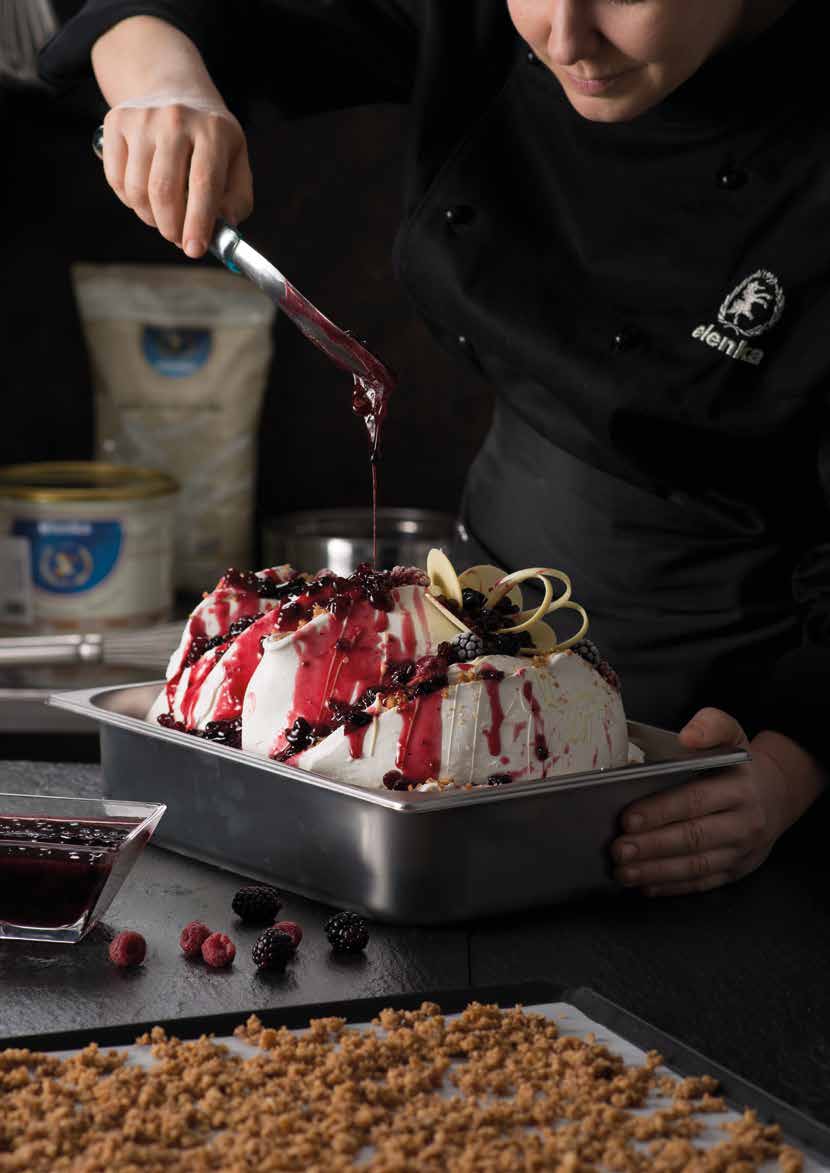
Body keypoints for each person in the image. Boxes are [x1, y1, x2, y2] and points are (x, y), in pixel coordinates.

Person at [40, 1, 828, 898]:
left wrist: (785, 771)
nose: (566, 38)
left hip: (733, 751)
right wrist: (162, 79)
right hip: (461, 698)